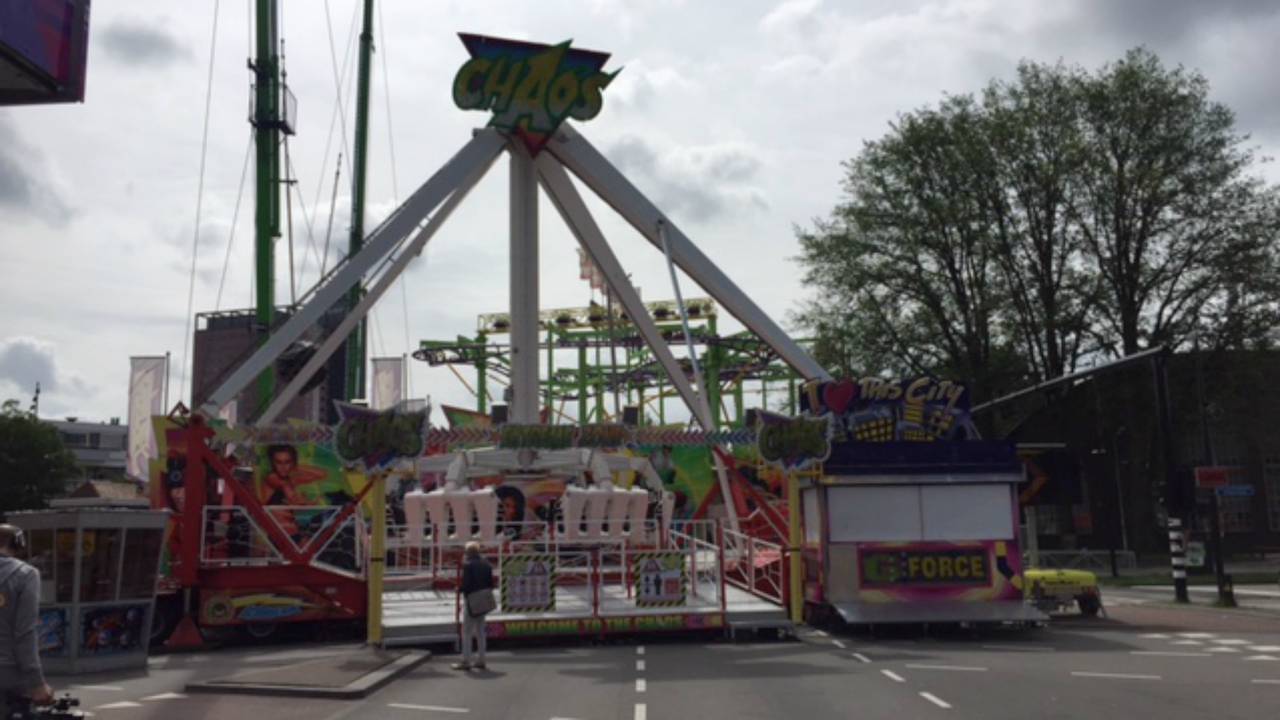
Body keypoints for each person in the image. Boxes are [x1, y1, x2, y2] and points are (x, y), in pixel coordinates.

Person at [0, 524, 53, 715]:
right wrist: (37, 683)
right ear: (18, 544)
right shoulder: (26, 575)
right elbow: (25, 632)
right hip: (8, 672)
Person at [453, 542, 494, 671]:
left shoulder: (468, 565)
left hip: (472, 600)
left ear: (468, 553)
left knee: (467, 632)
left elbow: (467, 585)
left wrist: (459, 589)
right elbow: (491, 584)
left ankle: (466, 661)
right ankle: (481, 660)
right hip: (484, 599)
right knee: (481, 631)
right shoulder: (487, 565)